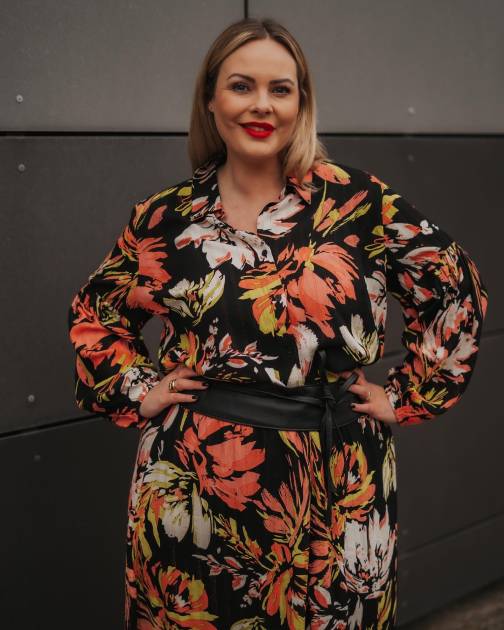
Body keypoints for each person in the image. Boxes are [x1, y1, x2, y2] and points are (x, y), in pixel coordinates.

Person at [67, 16, 488, 630]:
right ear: (210, 100)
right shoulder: (165, 217)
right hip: (194, 484)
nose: (261, 105)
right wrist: (140, 388)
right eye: (241, 86)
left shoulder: (358, 203)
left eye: (280, 89)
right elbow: (97, 316)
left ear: (301, 104)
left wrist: (407, 395)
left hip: (337, 480)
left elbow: (453, 286)